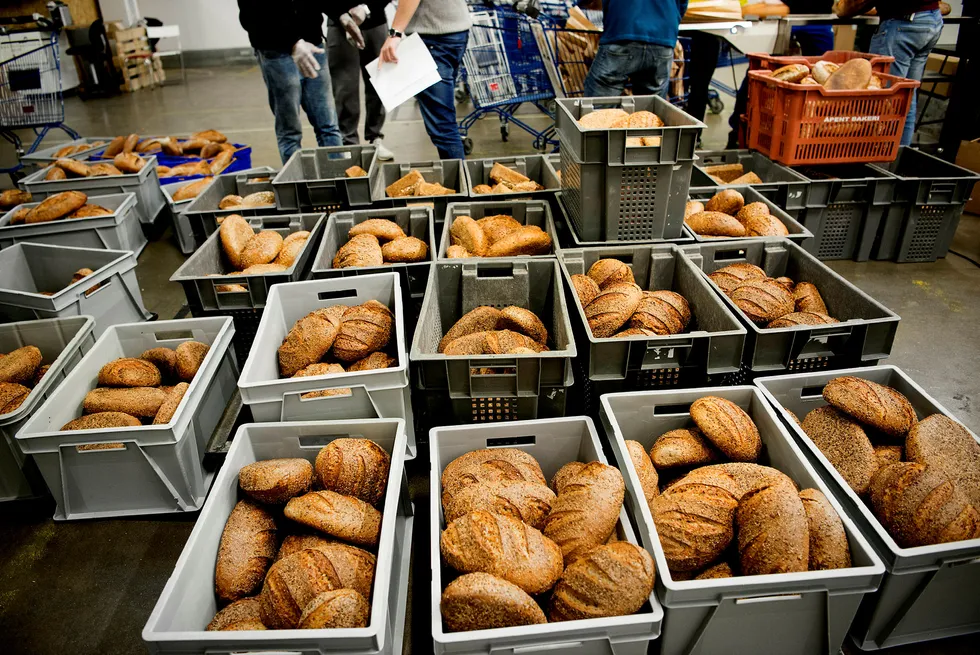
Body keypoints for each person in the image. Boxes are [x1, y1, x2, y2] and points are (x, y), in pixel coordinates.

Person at [238, 0, 343, 164]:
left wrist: (340, 13)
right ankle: (296, 186)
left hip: (313, 43)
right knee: (290, 132)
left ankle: (339, 180)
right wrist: (293, 40)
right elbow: (251, 11)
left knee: (328, 127)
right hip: (277, 51)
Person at [725, 0, 835, 147]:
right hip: (781, 15)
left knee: (825, 78)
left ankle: (815, 135)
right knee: (761, 71)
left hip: (820, 18)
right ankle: (739, 131)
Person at [836, 0, 944, 146]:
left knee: (886, 100)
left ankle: (880, 157)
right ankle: (899, 156)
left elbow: (858, 3)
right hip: (930, 19)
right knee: (906, 97)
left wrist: (842, 8)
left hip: (903, 24)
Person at [379, 0, 472, 160]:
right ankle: (459, 179)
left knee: (442, 126)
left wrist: (395, 34)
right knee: (444, 119)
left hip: (435, 38)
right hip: (455, 31)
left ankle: (459, 183)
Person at [326, 2, 394, 160]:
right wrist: (342, 15)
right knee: (345, 88)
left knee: (377, 84)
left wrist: (366, 8)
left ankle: (375, 137)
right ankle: (349, 143)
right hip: (339, 24)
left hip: (374, 21)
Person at [582, 0, 687, 98]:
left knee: (598, 105)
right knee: (650, 109)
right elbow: (682, 4)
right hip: (663, 35)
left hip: (623, 29)